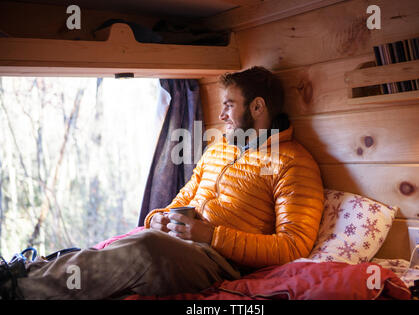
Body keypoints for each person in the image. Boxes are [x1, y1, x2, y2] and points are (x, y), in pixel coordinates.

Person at [0, 66, 324, 300]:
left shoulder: (292, 162)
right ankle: (26, 273)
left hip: (221, 264)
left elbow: (292, 247)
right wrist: (159, 218)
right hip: (181, 246)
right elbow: (184, 196)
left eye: (229, 105)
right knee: (125, 244)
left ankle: (17, 290)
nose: (223, 115)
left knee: (145, 249)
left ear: (257, 107)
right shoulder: (218, 149)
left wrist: (211, 236)